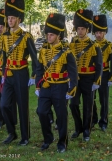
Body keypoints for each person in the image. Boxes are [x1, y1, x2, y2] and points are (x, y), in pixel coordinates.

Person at [35, 13, 78, 153]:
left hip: (60, 86)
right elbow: (39, 68)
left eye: (52, 35)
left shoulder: (66, 52)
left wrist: (71, 89)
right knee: (41, 112)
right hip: (46, 86)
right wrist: (37, 84)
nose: (49, 37)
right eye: (48, 34)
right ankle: (48, 139)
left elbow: (73, 72)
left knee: (61, 116)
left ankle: (62, 142)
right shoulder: (43, 50)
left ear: (59, 36)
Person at [0, 0, 38, 146]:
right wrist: (3, 75)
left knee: (22, 106)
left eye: (13, 18)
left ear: (19, 20)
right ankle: (12, 132)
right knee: (4, 104)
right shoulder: (4, 37)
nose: (10, 20)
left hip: (22, 74)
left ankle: (25, 136)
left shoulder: (26, 36)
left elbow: (35, 59)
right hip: (9, 74)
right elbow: (4, 58)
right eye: (8, 18)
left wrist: (34, 76)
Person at [69, 9, 103, 141]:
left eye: (83, 29)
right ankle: (78, 128)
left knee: (88, 106)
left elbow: (99, 65)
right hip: (75, 79)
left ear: (87, 30)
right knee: (73, 104)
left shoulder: (94, 46)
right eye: (78, 28)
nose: (80, 31)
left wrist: (97, 81)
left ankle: (87, 130)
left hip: (89, 79)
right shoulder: (72, 45)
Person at [0, 9, 17, 130]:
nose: (0, 29)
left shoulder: (11, 40)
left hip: (9, 72)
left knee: (9, 99)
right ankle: (1, 119)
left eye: (2, 26)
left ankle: (11, 120)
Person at [92, 14, 112, 132]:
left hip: (105, 74)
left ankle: (103, 121)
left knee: (104, 100)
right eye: (96, 32)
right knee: (91, 99)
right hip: (92, 74)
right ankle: (93, 119)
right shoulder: (90, 45)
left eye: (101, 32)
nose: (98, 34)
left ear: (105, 32)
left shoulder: (110, 46)